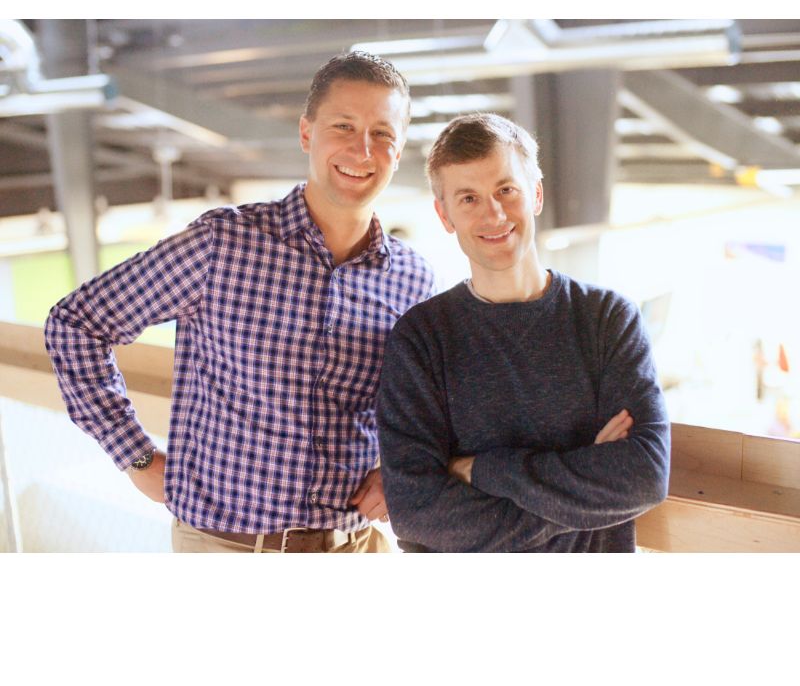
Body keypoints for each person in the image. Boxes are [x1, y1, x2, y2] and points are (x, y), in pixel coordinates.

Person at [44, 51, 435, 553]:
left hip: (356, 547)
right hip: (225, 547)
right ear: (306, 133)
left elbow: (431, 407)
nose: (363, 150)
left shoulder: (413, 280)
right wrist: (136, 457)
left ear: (399, 150)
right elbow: (76, 324)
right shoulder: (222, 244)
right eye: (343, 126)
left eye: (383, 133)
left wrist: (398, 468)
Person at [376, 113, 670, 552]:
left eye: (506, 190)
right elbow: (418, 514)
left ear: (535, 194)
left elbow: (643, 477)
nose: (493, 213)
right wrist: (583, 496)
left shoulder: (607, 319)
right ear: (445, 214)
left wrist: (482, 472)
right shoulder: (422, 339)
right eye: (469, 198)